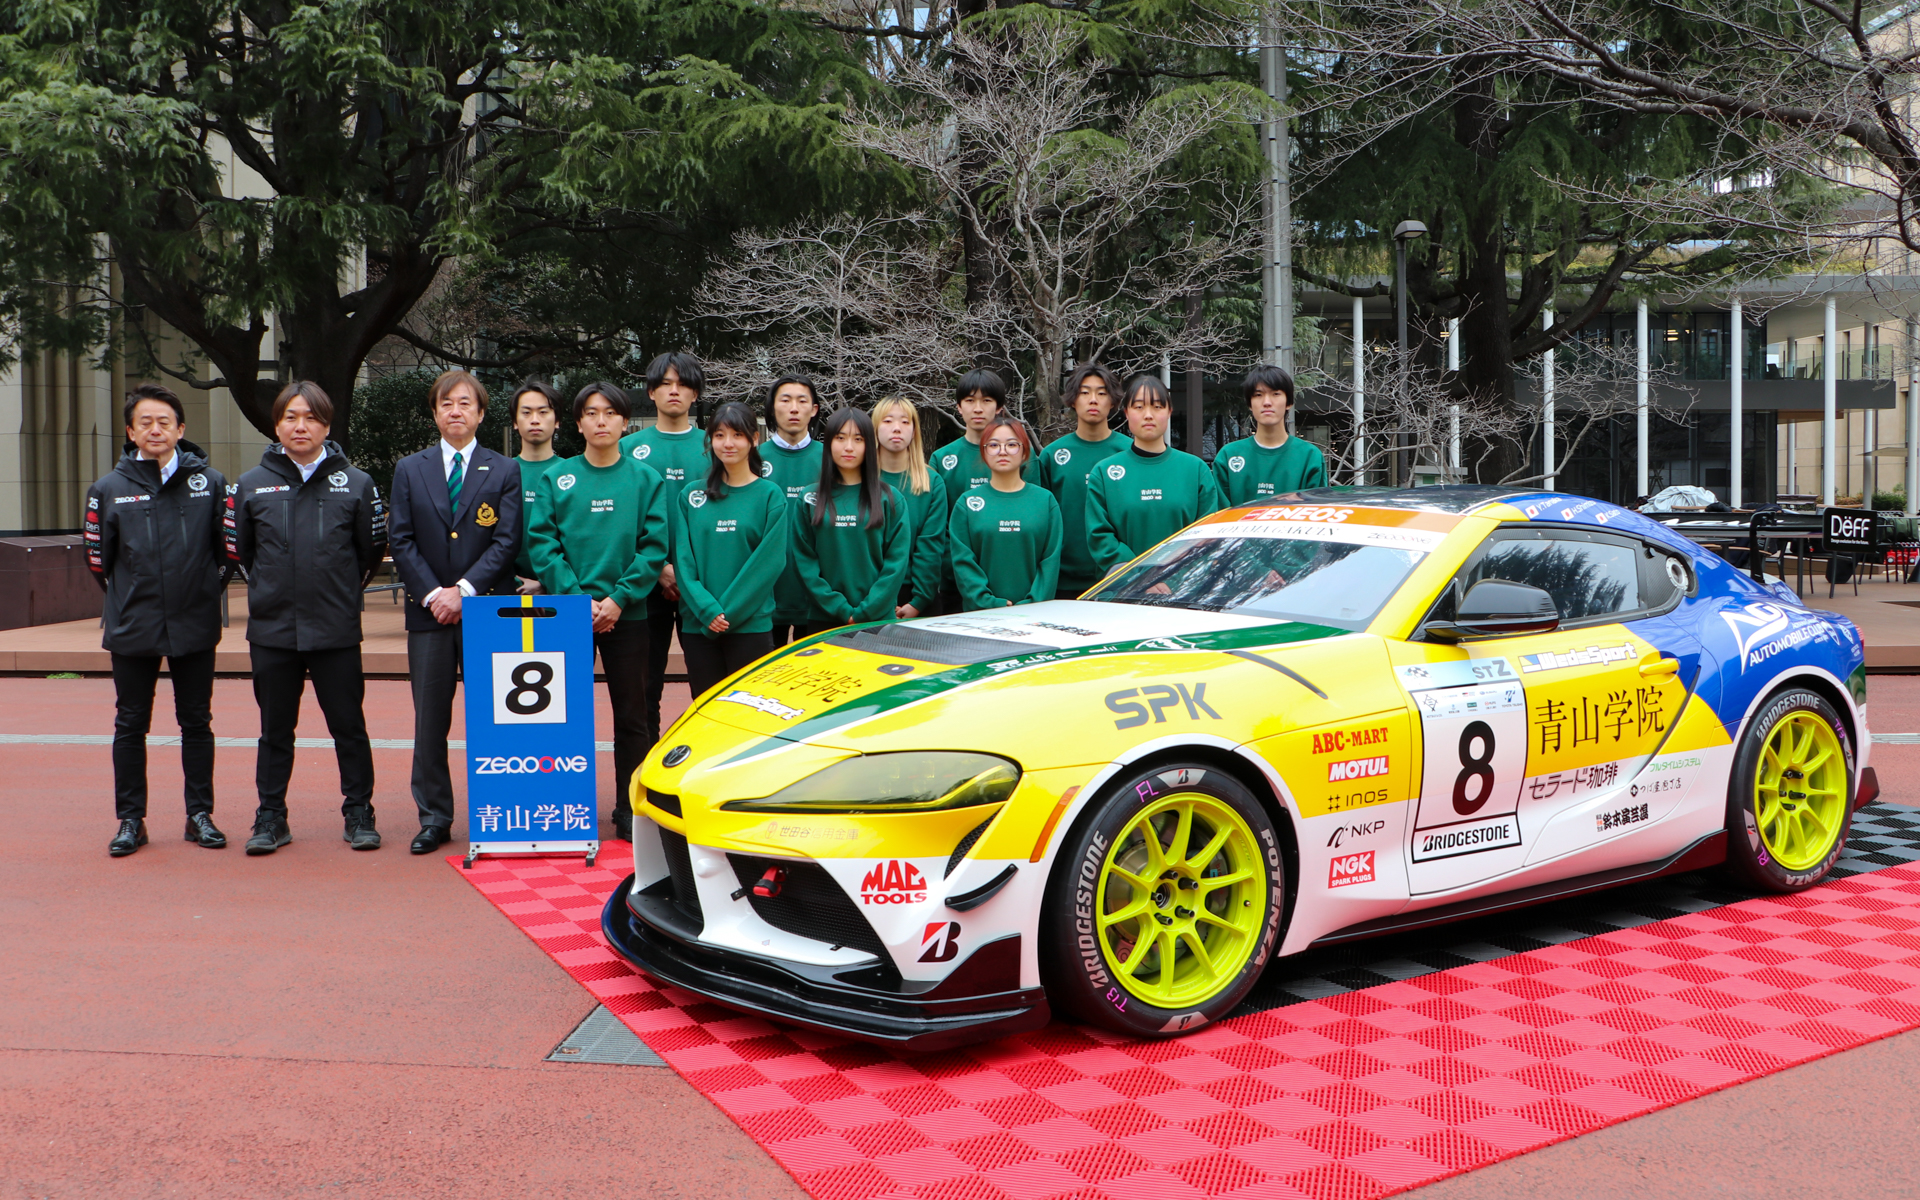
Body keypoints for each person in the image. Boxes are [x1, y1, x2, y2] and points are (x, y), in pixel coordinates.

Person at [226, 382, 387, 856]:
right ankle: (271, 816)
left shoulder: (356, 483)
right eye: (292, 417)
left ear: (327, 425)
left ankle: (359, 813)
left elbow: (370, 551)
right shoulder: (252, 483)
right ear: (277, 425)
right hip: (273, 630)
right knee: (275, 729)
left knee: (348, 727)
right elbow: (241, 552)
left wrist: (339, 594)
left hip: (336, 628)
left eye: (312, 417)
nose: (302, 426)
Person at [87, 384, 233, 857]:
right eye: (145, 422)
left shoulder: (209, 482)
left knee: (197, 721)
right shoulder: (108, 489)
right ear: (130, 432)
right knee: (130, 724)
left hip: (194, 622)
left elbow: (226, 552)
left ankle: (200, 815)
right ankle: (131, 820)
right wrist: (128, 599)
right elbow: (98, 562)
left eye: (164, 421)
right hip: (134, 625)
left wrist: (204, 588)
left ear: (180, 429)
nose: (155, 429)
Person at [387, 370, 523, 855]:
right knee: (430, 721)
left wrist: (462, 590)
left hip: (487, 612)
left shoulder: (504, 469)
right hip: (429, 616)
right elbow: (399, 539)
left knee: (496, 719)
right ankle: (434, 817)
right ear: (435, 412)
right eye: (446, 404)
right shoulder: (410, 468)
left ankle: (504, 811)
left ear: (481, 413)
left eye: (465, 404)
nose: (455, 411)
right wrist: (433, 595)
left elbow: (507, 541)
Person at [525, 382, 668, 843]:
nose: (601, 421)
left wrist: (618, 599)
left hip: (629, 616)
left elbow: (654, 548)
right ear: (579, 422)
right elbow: (543, 545)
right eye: (591, 413)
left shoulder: (646, 478)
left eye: (610, 413)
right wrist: (576, 597)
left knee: (633, 716)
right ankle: (565, 807)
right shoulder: (559, 478)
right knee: (565, 717)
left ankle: (630, 809)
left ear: (626, 423)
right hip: (570, 615)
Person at [618, 352, 710, 741]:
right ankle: (645, 771)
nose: (675, 391)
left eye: (683, 384)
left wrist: (685, 573)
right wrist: (658, 569)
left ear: (695, 394)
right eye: (666, 384)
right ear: (651, 392)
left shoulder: (715, 444)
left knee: (710, 690)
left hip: (704, 586)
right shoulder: (627, 447)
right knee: (644, 687)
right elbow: (622, 522)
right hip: (645, 584)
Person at [672, 402, 789, 698]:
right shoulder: (691, 495)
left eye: (737, 434)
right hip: (698, 625)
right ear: (710, 440)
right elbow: (684, 562)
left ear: (754, 439)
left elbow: (768, 564)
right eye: (719, 435)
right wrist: (706, 610)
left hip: (750, 627)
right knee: (705, 713)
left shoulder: (769, 495)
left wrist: (723, 614)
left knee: (750, 716)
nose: (728, 443)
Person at [1085, 374, 1225, 576]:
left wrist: (1173, 579)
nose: (1148, 415)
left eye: (1157, 406)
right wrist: (1140, 577)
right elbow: (1100, 537)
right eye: (1139, 407)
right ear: (1126, 412)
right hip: (1120, 591)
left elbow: (1206, 534)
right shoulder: (1104, 473)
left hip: (1182, 589)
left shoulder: (1195, 469)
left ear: (1169, 411)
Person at [793, 407, 910, 633]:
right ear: (828, 443)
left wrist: (865, 611)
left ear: (870, 445)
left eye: (858, 439)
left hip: (878, 620)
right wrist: (839, 609)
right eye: (840, 438)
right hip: (824, 620)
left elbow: (896, 563)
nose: (849, 447)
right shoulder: (809, 498)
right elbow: (804, 562)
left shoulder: (890, 498)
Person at [949, 415, 1062, 610]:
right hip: (980, 618)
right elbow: (963, 563)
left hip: (1035, 616)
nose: (1002, 451)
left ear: (1025, 452)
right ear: (984, 452)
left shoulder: (1045, 501)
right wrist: (988, 602)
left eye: (1011, 445)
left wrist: (1032, 604)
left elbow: (1050, 562)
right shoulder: (966, 504)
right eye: (993, 445)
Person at [1036, 364, 1130, 599]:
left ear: (1113, 401)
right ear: (1072, 400)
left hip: (1120, 575)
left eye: (1101, 393)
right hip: (1062, 579)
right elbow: (1041, 520)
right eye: (1084, 392)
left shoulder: (1130, 452)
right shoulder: (1052, 455)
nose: (1093, 400)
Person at [872, 396, 947, 619]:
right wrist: (875, 602)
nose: (897, 428)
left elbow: (930, 547)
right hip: (867, 597)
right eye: (887, 421)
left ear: (914, 431)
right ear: (874, 428)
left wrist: (919, 601)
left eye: (905, 422)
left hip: (917, 597)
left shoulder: (931, 482)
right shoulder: (858, 481)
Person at [761, 375, 822, 644]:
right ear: (773, 408)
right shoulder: (753, 459)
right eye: (785, 400)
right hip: (765, 593)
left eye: (802, 401)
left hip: (818, 595)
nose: (794, 408)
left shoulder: (832, 458)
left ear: (814, 409)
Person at [1211, 364, 1326, 504]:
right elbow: (1220, 517)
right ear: (1249, 404)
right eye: (1258, 395)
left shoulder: (1309, 456)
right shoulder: (1228, 455)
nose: (1267, 402)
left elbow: (1317, 512)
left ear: (1288, 402)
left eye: (1275, 394)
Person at [510, 380, 563, 594]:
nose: (535, 420)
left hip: (562, 598)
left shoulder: (572, 474)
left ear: (557, 420)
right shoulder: (498, 474)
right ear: (515, 421)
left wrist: (547, 584)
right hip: (508, 598)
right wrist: (516, 583)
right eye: (526, 413)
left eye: (543, 412)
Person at [928, 369, 1008, 499]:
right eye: (970, 400)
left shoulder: (1018, 453)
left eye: (986, 400)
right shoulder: (941, 458)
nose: (978, 409)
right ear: (959, 406)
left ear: (999, 407)